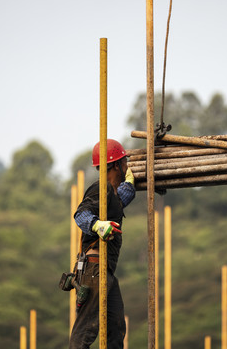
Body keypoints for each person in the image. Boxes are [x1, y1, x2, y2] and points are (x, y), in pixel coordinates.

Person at [69, 139, 136, 349]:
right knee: (86, 330)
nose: (127, 167)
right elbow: (81, 214)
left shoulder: (112, 193)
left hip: (105, 271)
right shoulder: (101, 187)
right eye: (124, 162)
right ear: (116, 165)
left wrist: (130, 186)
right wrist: (97, 225)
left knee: (115, 330)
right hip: (94, 268)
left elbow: (119, 202)